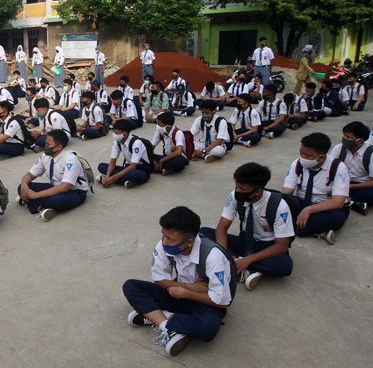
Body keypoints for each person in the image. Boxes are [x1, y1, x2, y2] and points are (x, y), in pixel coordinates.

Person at [122, 206, 234, 356]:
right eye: (163, 235)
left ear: (189, 242)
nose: (164, 242)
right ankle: (166, 326)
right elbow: (159, 279)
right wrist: (189, 288)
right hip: (177, 292)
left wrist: (186, 293)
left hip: (205, 302)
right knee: (131, 286)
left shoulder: (213, 256)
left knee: (208, 327)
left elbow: (222, 301)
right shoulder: (164, 245)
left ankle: (154, 314)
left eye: (170, 239)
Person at [200, 162, 293, 291]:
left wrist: (248, 260)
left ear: (257, 191)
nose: (237, 191)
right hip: (244, 241)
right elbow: (222, 227)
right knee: (203, 234)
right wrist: (225, 253)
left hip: (267, 246)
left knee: (285, 265)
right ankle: (241, 265)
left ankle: (240, 265)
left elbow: (281, 246)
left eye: (242, 189)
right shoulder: (234, 196)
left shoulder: (279, 206)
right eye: (237, 186)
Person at [282, 132, 350, 245]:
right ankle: (312, 231)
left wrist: (308, 210)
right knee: (277, 204)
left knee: (336, 218)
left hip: (325, 207)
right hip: (301, 202)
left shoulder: (338, 167)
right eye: (301, 152)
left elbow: (338, 202)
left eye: (307, 155)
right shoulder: (297, 163)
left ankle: (285, 229)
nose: (302, 157)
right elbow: (287, 193)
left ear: (321, 157)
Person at [16, 129, 89, 221]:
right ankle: (41, 208)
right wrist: (24, 186)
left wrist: (35, 195)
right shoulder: (45, 156)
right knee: (21, 187)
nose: (45, 146)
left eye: (48, 144)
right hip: (54, 186)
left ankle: (32, 202)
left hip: (74, 191)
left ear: (58, 147)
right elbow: (30, 175)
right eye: (45, 143)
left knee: (55, 201)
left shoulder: (70, 159)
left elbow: (64, 187)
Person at [328, 121, 373, 215]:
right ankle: (351, 203)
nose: (344, 139)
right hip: (340, 181)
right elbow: (329, 167)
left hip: (360, 186)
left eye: (348, 137)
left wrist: (349, 187)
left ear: (360, 141)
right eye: (344, 135)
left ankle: (339, 199)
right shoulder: (339, 148)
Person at [96, 119, 151, 189]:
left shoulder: (136, 143)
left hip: (141, 169)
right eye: (114, 132)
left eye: (117, 133)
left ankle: (113, 180)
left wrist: (112, 178)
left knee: (135, 174)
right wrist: (107, 176)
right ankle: (125, 181)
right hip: (127, 168)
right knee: (101, 166)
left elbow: (133, 166)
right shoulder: (117, 141)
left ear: (124, 134)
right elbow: (113, 161)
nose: (114, 135)